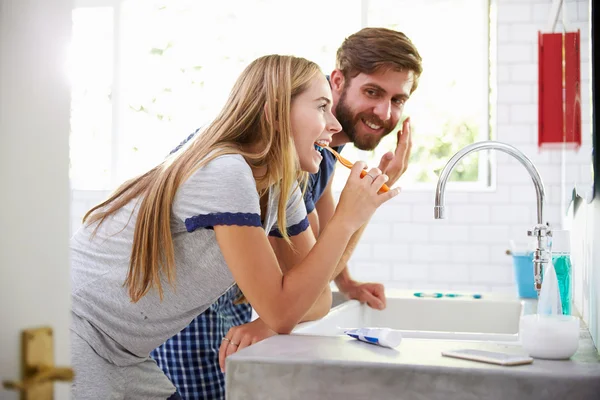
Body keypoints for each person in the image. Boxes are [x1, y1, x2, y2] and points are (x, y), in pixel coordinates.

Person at [69, 54, 399, 399]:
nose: (333, 126)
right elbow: (284, 310)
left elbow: (315, 300)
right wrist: (347, 219)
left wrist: (353, 218)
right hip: (73, 334)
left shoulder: (280, 188)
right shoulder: (226, 172)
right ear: (273, 112)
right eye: (321, 108)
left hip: (125, 353)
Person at [153, 27, 422, 399]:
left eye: (398, 100)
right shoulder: (259, 161)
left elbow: (318, 261)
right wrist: (277, 316)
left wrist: (344, 281)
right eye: (373, 92)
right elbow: (301, 274)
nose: (384, 112)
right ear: (338, 81)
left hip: (230, 306)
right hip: (190, 315)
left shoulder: (316, 157)